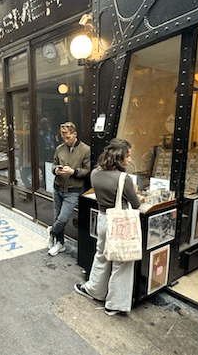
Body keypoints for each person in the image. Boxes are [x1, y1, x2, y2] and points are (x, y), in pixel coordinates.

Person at [73, 138, 141, 316]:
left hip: (103, 220)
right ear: (119, 158)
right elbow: (135, 204)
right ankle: (114, 304)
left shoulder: (95, 173)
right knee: (122, 263)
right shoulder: (123, 178)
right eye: (128, 156)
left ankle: (94, 290)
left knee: (101, 256)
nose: (129, 159)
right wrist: (137, 195)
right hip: (120, 223)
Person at [47, 121, 91, 256]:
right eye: (64, 138)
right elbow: (54, 164)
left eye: (68, 137)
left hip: (73, 190)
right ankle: (60, 244)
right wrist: (56, 170)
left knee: (62, 219)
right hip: (58, 186)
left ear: (75, 134)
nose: (66, 140)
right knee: (57, 217)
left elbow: (87, 171)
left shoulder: (85, 149)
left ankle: (51, 232)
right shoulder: (59, 148)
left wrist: (74, 171)